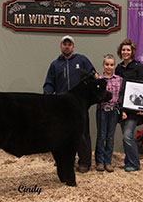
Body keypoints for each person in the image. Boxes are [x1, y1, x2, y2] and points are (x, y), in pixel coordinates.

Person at [43, 35, 98, 173]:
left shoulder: (82, 60)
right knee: (62, 134)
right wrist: (47, 97)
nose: (67, 46)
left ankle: (85, 162)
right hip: (62, 106)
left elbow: (93, 76)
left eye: (69, 44)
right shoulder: (55, 65)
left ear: (73, 47)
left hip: (79, 105)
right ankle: (65, 161)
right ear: (61, 46)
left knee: (82, 133)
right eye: (64, 44)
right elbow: (49, 83)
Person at [115, 38, 143, 172]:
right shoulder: (118, 68)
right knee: (125, 135)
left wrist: (141, 108)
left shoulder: (139, 67)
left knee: (128, 136)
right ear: (120, 52)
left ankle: (134, 163)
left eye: (128, 50)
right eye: (123, 50)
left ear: (132, 51)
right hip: (122, 107)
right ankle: (128, 161)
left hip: (134, 108)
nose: (125, 52)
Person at [95, 54, 127, 173]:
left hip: (114, 110)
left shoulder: (119, 79)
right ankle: (99, 162)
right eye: (107, 64)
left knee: (110, 136)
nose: (109, 67)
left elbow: (121, 97)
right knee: (101, 135)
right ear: (103, 65)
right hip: (102, 109)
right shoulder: (99, 80)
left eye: (111, 64)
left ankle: (108, 162)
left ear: (114, 66)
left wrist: (122, 110)